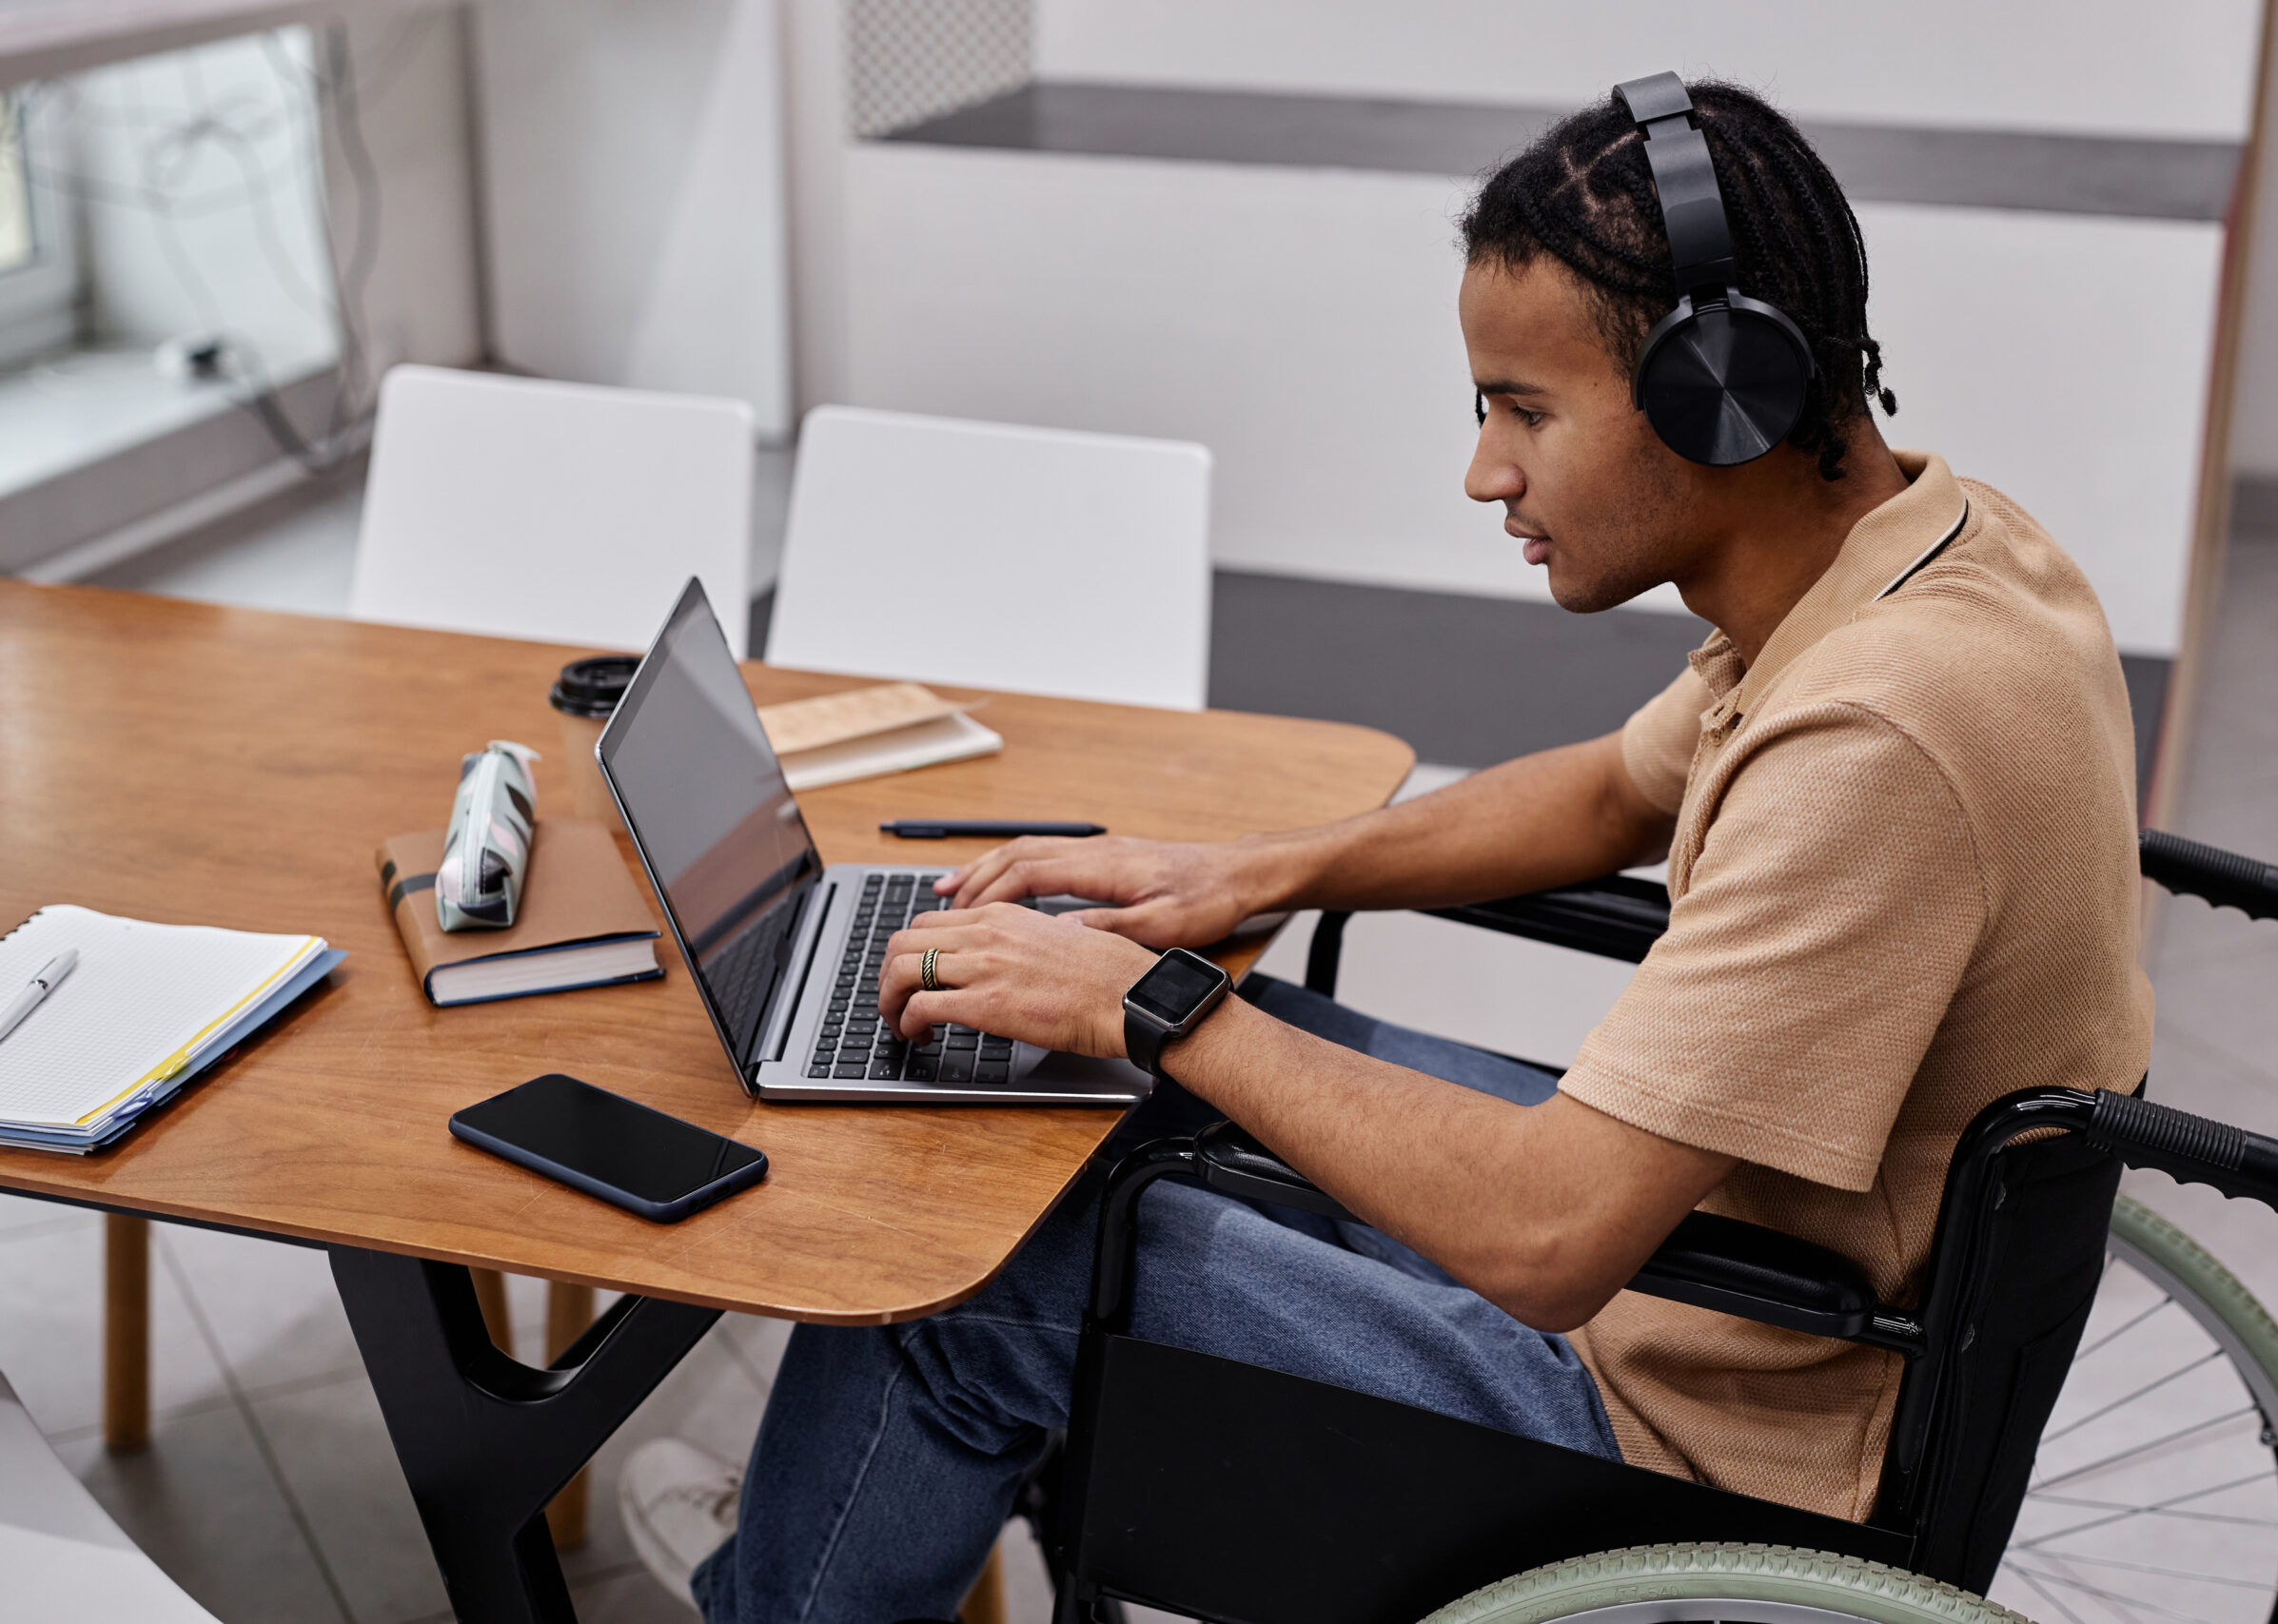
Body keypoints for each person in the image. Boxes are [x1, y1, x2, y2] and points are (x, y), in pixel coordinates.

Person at [620, 77, 2151, 1623]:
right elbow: (1613, 794)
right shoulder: (1930, 561)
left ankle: (777, 1585)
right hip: (1722, 1275)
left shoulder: (1876, 736)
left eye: (1525, 410)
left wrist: (1145, 1000)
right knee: (1116, 1080)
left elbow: (1549, 1241)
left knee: (977, 1257)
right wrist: (1248, 877)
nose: (1487, 473)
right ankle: (839, 1528)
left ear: (1721, 398)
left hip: (1682, 1424)